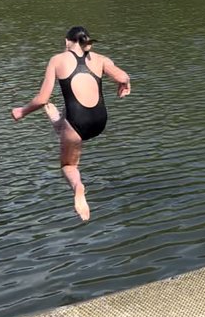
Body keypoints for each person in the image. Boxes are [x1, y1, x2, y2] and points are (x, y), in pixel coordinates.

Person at [11, 26, 131, 221]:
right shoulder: (100, 59)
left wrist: (21, 111)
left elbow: (42, 98)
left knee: (68, 165)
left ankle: (79, 188)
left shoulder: (57, 60)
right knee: (65, 118)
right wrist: (125, 84)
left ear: (67, 42)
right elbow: (123, 76)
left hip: (77, 123)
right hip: (100, 121)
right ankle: (59, 122)